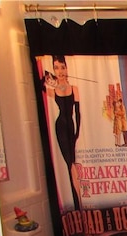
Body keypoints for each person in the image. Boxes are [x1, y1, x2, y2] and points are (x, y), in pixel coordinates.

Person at [44, 55, 82, 210]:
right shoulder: (53, 90)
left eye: (62, 67)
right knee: (69, 165)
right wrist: (49, 78)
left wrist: (77, 133)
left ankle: (77, 201)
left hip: (71, 127)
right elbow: (40, 83)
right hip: (60, 127)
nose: (60, 71)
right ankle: (77, 202)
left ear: (67, 68)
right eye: (56, 68)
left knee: (72, 163)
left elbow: (78, 113)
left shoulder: (74, 88)